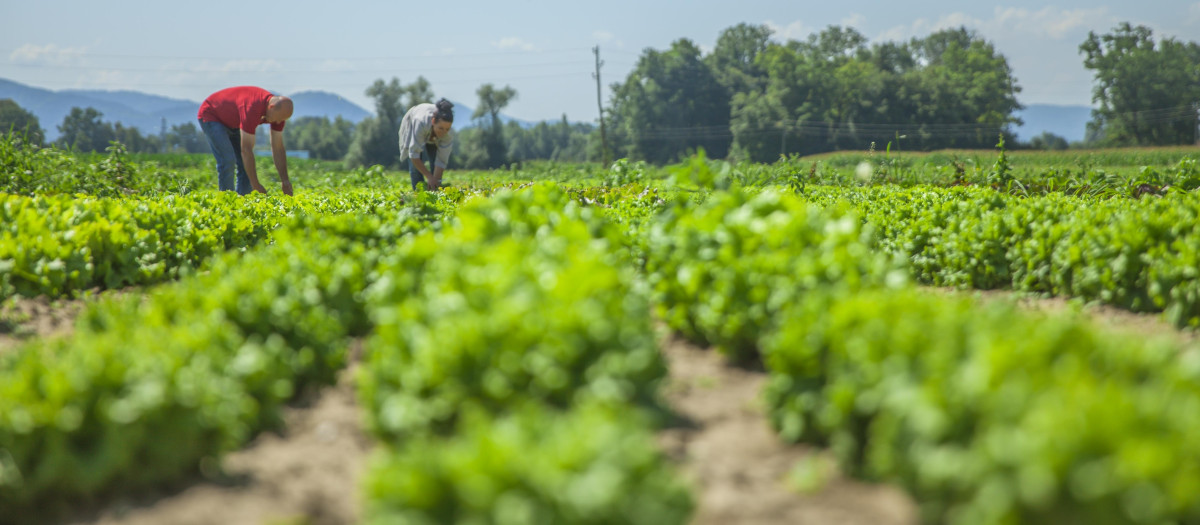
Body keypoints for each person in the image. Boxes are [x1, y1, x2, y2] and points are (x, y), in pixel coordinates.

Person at [197, 86, 294, 195]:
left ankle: (242, 203)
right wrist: (255, 184)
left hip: (234, 122)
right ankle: (227, 201)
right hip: (212, 115)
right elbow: (246, 150)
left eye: (283, 120)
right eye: (279, 118)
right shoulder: (252, 107)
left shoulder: (278, 115)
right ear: (271, 107)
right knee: (227, 160)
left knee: (245, 165)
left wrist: (285, 181)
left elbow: (278, 148)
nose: (279, 122)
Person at [398, 98, 455, 191]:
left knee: (435, 165)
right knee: (415, 169)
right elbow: (414, 155)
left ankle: (434, 194)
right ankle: (418, 194)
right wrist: (429, 177)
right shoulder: (420, 122)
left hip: (433, 137)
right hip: (414, 123)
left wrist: (436, 181)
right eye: (441, 128)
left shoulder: (448, 134)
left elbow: (441, 161)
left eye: (447, 129)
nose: (444, 132)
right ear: (433, 121)